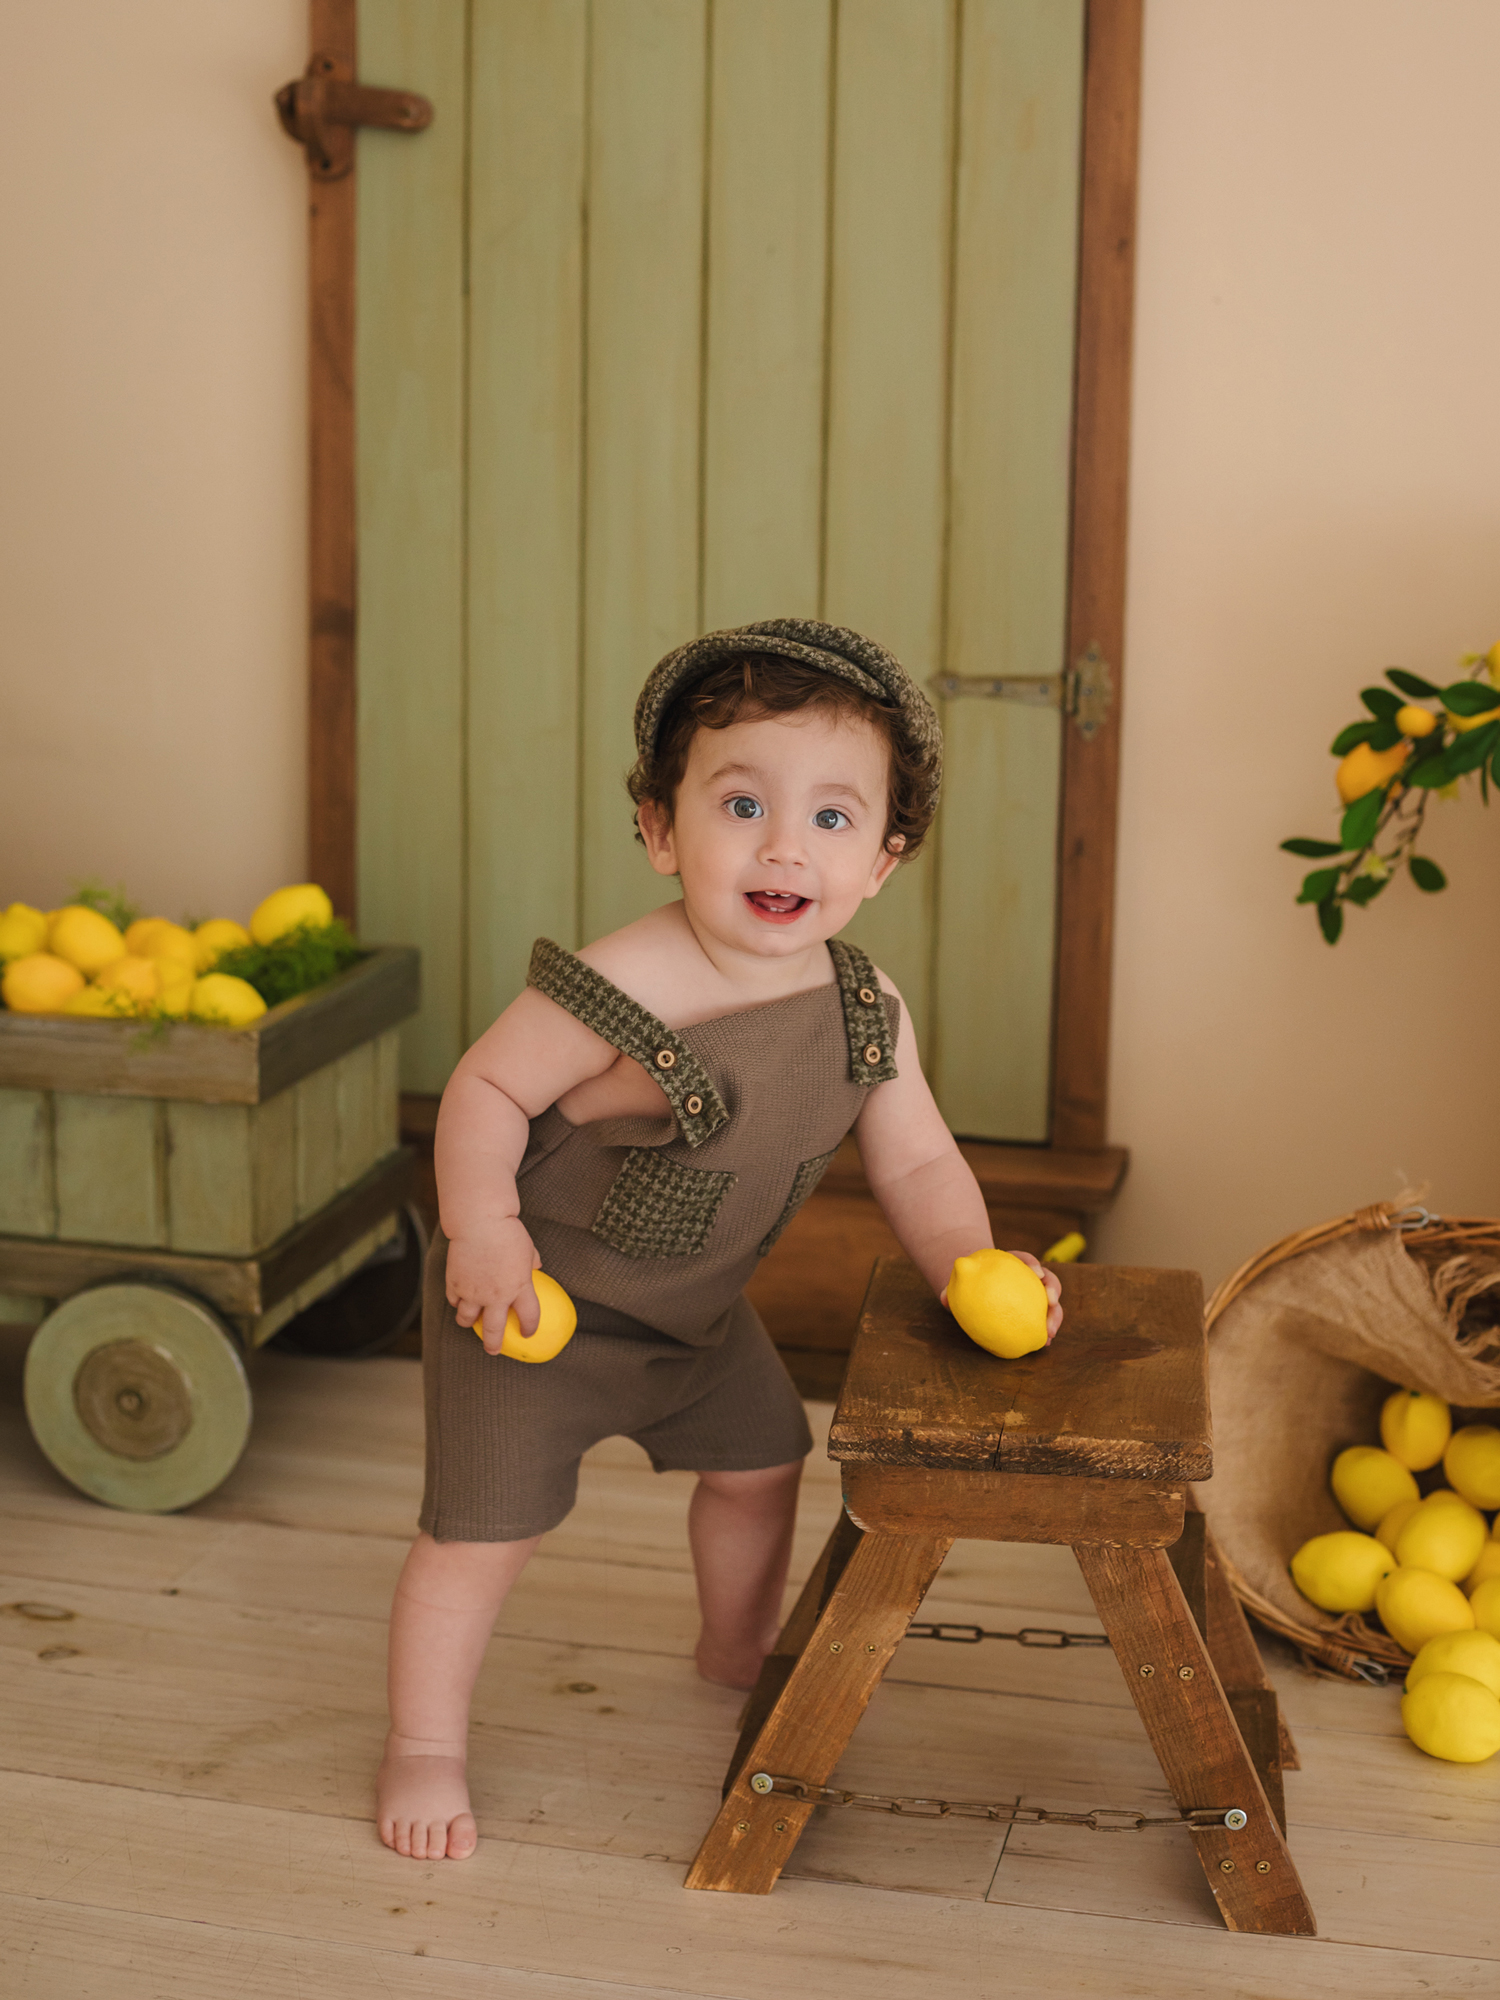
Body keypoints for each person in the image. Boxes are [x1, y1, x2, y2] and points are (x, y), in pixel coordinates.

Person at [375, 618, 1063, 1860]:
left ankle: (734, 1644)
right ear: (659, 826)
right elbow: (484, 1091)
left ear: (885, 860)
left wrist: (971, 1260)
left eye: (834, 818)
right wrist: (482, 1231)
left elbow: (915, 1155)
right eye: (740, 802)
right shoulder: (624, 980)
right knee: (481, 1535)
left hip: (693, 1316)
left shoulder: (865, 1006)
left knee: (760, 1461)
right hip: (529, 1314)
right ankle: (425, 1742)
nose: (785, 843)